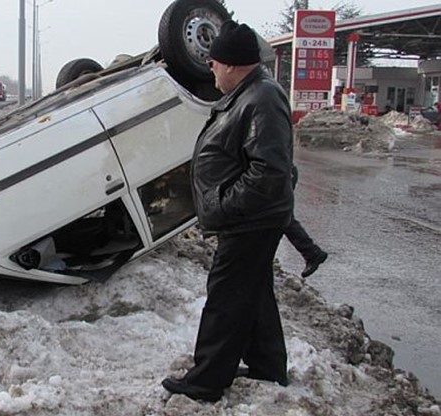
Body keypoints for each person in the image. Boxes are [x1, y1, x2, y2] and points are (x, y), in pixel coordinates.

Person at [161, 21, 295, 402]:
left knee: (226, 296)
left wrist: (223, 204)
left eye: (215, 63)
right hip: (252, 217)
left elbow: (268, 170)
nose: (211, 69)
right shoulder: (250, 94)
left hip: (249, 219)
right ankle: (268, 364)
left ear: (234, 65)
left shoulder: (262, 98)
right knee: (253, 291)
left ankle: (207, 380)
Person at [285, 165, 328, 278]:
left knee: (282, 217)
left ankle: (312, 253)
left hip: (278, 173)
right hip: (279, 172)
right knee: (280, 217)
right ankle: (311, 252)